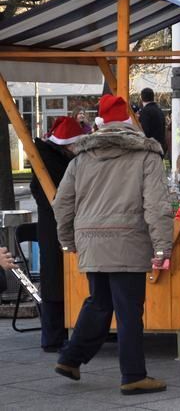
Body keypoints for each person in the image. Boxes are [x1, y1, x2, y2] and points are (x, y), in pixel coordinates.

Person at [52, 94, 173, 395]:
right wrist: (162, 248)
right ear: (130, 122)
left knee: (99, 302)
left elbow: (62, 204)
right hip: (128, 240)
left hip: (91, 240)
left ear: (101, 124)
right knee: (129, 310)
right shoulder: (146, 155)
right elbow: (157, 206)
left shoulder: (81, 158)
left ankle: (71, 358)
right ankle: (133, 375)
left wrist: (68, 240)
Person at [31, 116, 82, 352]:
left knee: (58, 277)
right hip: (54, 227)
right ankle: (53, 336)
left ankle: (59, 332)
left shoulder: (49, 158)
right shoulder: (53, 162)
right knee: (55, 278)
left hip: (55, 224)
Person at [138, 88, 167, 154]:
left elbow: (145, 131)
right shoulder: (159, 110)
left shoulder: (145, 112)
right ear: (153, 97)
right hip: (160, 147)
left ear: (142, 98)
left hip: (150, 149)